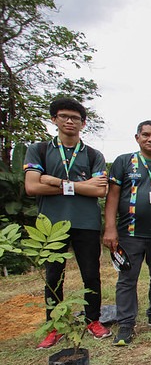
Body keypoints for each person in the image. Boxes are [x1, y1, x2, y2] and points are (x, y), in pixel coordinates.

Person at [24, 97, 111, 349]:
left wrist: (53, 182)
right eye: (64, 116)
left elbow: (99, 191)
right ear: (54, 119)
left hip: (86, 222)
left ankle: (92, 320)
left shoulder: (93, 154)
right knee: (53, 276)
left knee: (91, 275)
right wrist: (78, 186)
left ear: (83, 123)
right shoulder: (39, 150)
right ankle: (54, 325)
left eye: (75, 118)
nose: (69, 121)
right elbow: (31, 186)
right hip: (51, 225)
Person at [104, 120, 151, 345]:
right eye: (146, 135)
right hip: (129, 232)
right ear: (137, 137)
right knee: (127, 278)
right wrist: (110, 228)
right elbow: (113, 195)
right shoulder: (124, 162)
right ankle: (126, 324)